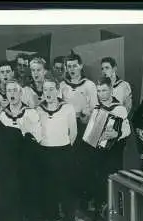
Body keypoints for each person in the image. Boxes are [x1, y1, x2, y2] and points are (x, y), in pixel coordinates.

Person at [83, 77, 131, 221]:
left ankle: (115, 214)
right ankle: (99, 212)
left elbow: (127, 130)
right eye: (98, 91)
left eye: (104, 90)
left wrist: (118, 134)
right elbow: (91, 131)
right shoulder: (97, 108)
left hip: (113, 151)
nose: (101, 94)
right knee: (98, 180)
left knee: (113, 180)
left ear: (110, 90)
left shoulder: (119, 108)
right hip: (97, 151)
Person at [0, 80, 43, 221]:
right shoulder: (2, 115)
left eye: (15, 90)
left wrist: (25, 133)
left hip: (27, 156)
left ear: (20, 93)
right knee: (12, 187)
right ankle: (15, 216)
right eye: (9, 91)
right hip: (9, 157)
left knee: (31, 186)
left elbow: (38, 135)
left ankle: (33, 218)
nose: (12, 93)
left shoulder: (31, 112)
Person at [37, 77, 77, 221]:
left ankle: (69, 216)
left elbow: (73, 132)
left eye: (51, 89)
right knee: (47, 185)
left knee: (66, 185)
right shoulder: (38, 109)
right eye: (45, 89)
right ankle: (50, 213)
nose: (48, 92)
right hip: (45, 151)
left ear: (58, 90)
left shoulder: (68, 108)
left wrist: (65, 146)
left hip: (64, 151)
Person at [60, 53, 98, 212]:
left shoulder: (89, 85)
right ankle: (70, 203)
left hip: (84, 126)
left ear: (81, 66)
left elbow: (96, 107)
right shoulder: (62, 85)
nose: (72, 69)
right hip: (67, 127)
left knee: (84, 164)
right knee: (68, 164)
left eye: (75, 65)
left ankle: (85, 201)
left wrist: (86, 113)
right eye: (69, 66)